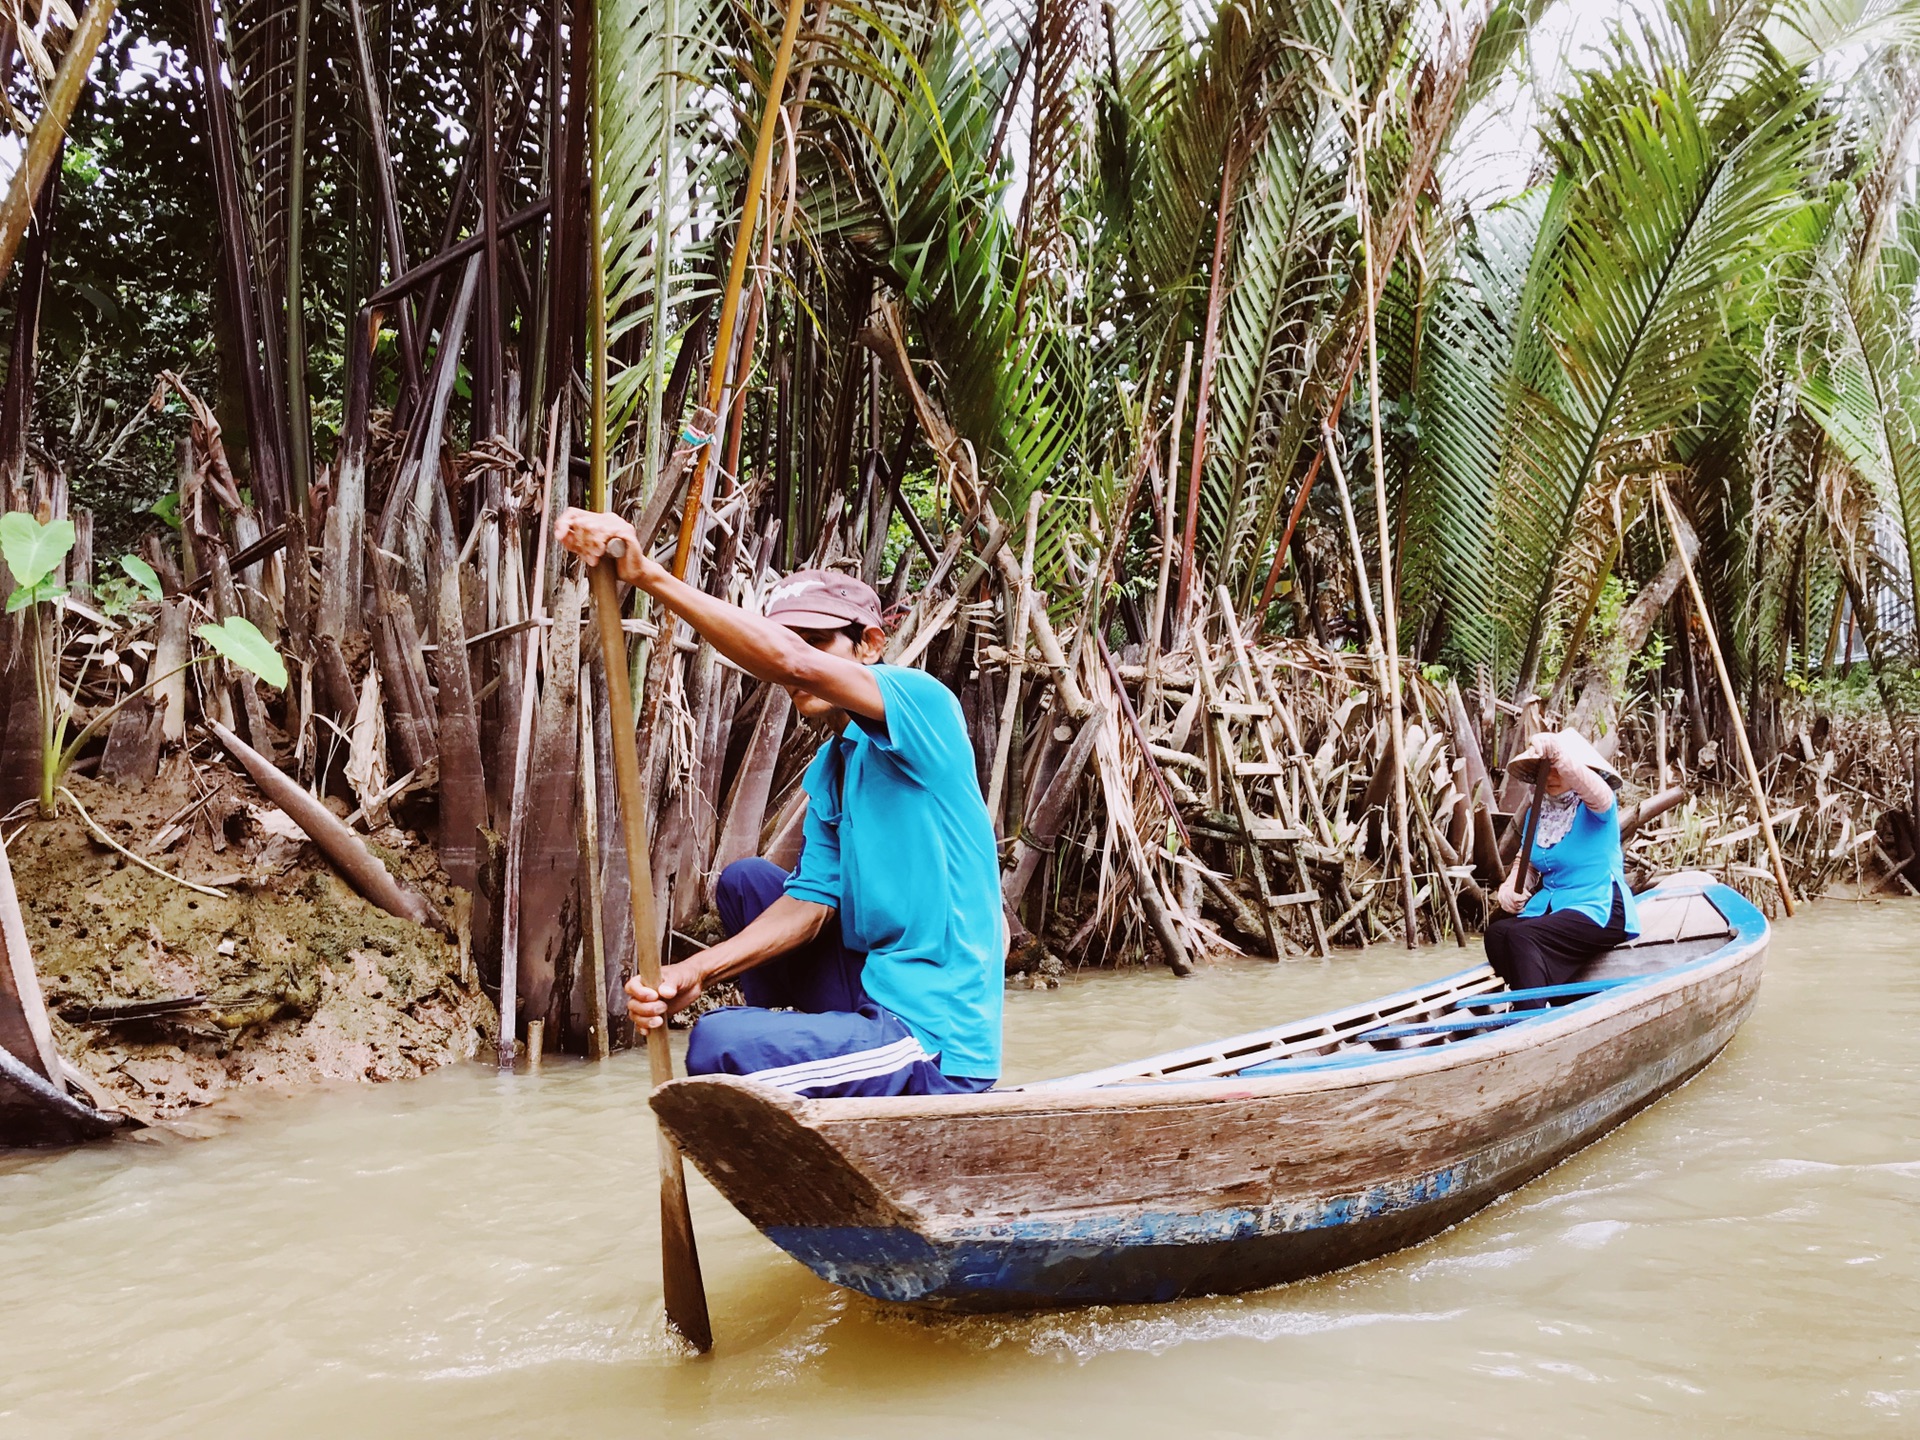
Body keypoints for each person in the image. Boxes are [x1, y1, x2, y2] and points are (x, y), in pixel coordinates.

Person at [555, 507, 1003, 1097]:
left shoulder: (924, 706)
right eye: (790, 639)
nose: (799, 663)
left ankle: (825, 1061)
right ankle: (818, 1045)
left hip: (934, 1037)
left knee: (717, 1044)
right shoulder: (835, 770)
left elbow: (792, 664)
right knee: (747, 884)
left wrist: (649, 577)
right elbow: (812, 904)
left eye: (817, 641)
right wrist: (693, 971)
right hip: (873, 994)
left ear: (870, 644)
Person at [1488, 729, 1641, 1000]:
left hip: (1599, 906)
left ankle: (1530, 1018)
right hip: (1555, 909)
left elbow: (1598, 793)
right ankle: (1544, 996)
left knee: (1524, 936)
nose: (1552, 776)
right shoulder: (1541, 812)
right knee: (1498, 934)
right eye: (1545, 770)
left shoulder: (1598, 807)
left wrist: (1559, 756)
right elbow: (1528, 861)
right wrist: (1511, 888)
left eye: (1559, 769)